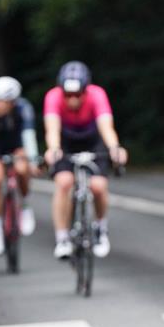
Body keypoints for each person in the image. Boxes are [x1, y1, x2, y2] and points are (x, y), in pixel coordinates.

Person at [43, 61, 127, 259]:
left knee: (98, 186)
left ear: (85, 90)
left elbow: (106, 127)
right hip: (66, 141)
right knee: (64, 182)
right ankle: (62, 238)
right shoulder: (53, 96)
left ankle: (100, 229)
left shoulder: (97, 95)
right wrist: (53, 149)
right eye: (68, 95)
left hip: (92, 141)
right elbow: (52, 129)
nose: (72, 99)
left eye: (77, 94)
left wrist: (115, 148)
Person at [0, 77, 40, 255]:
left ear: (12, 101)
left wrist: (33, 161)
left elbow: (28, 135)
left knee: (21, 168)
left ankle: (25, 205)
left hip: (17, 146)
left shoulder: (24, 108)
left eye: (0, 101)